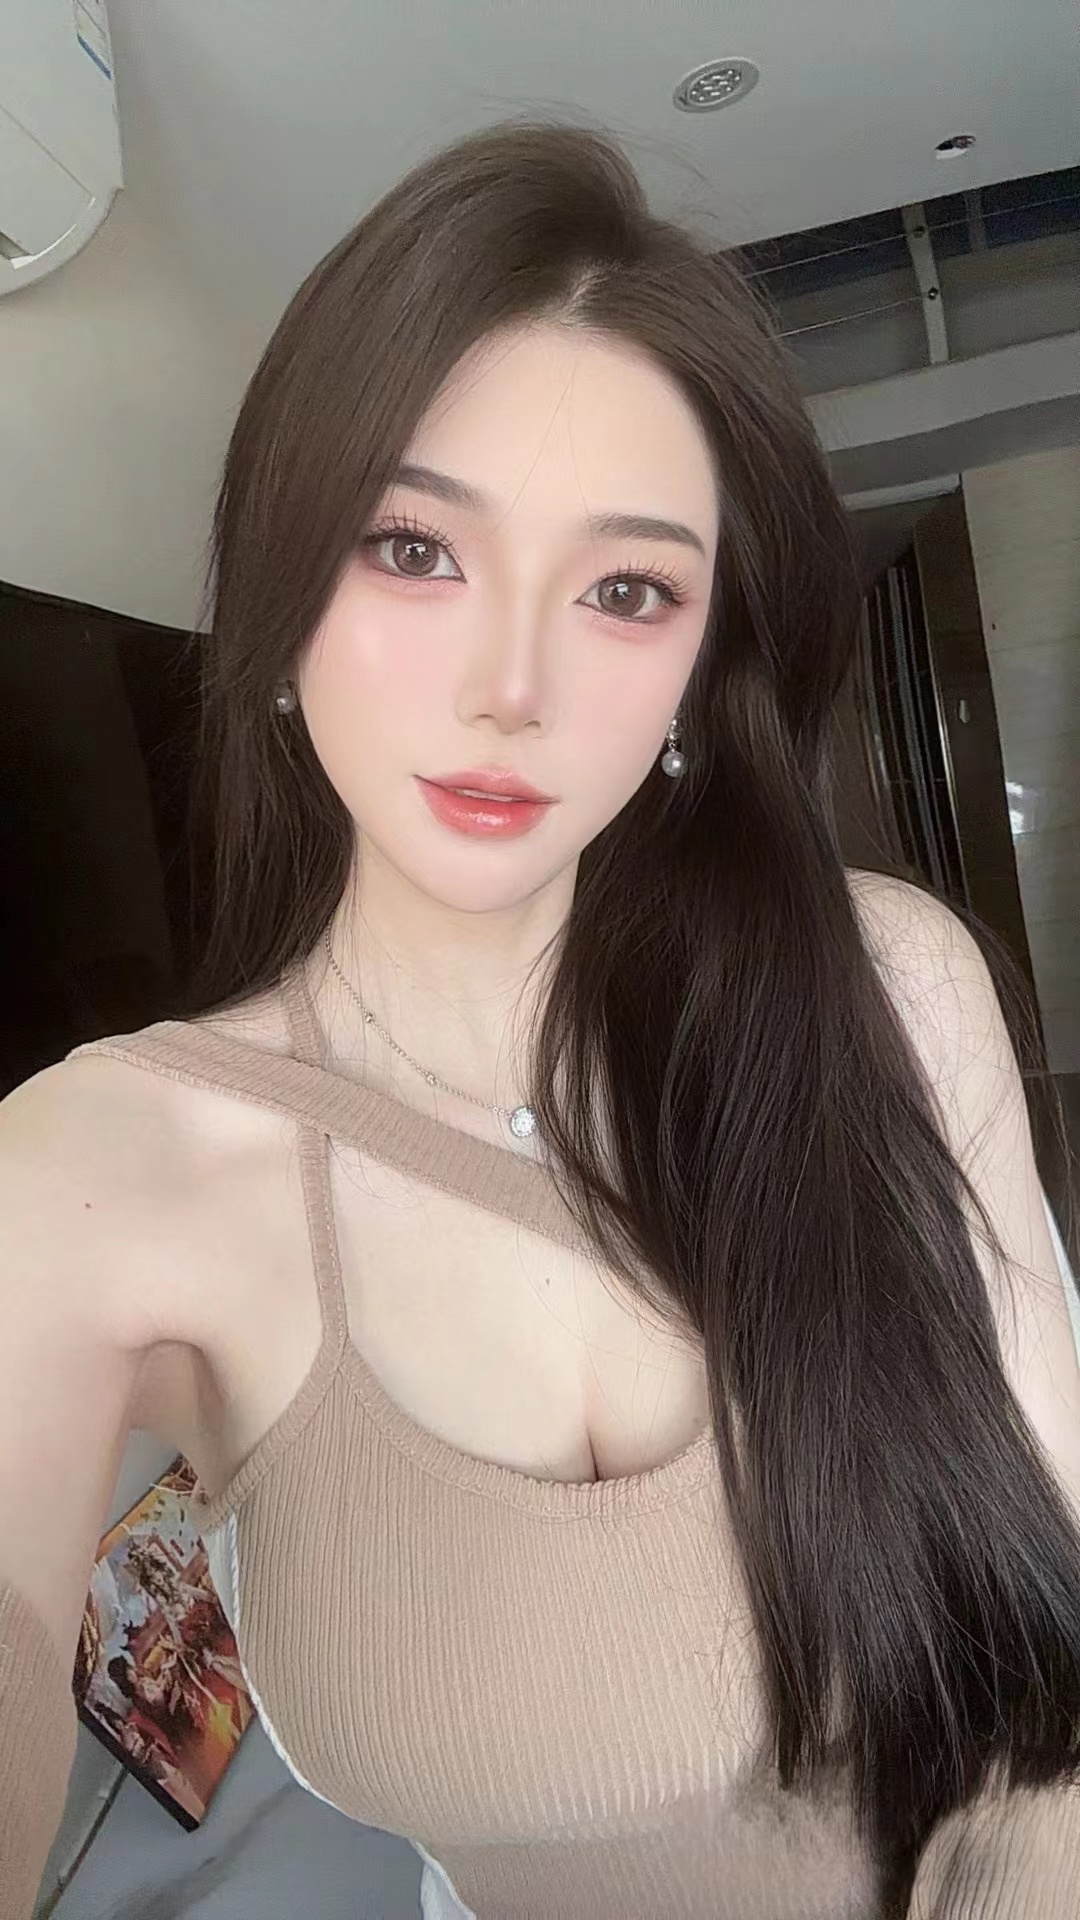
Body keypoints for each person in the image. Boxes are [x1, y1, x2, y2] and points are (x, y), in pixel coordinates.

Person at [1, 118, 1079, 1920]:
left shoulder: (890, 988)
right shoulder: (102, 1164)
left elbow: (1051, 1695)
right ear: (277, 594)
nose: (514, 687)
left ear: (697, 665)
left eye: (626, 590)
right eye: (414, 548)